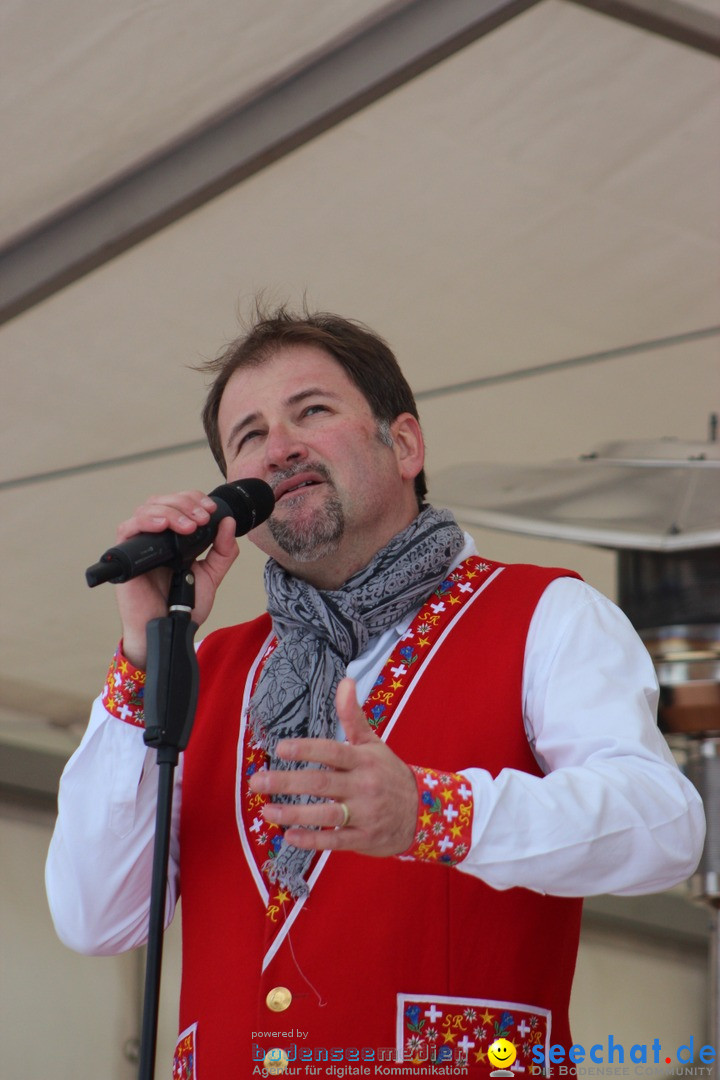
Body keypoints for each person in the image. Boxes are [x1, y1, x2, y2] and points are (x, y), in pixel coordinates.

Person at [46, 306, 705, 1078]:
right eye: (249, 436)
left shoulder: (544, 615)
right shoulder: (205, 666)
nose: (279, 445)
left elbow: (664, 828)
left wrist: (435, 813)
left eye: (311, 411)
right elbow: (95, 917)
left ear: (404, 444)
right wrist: (144, 652)